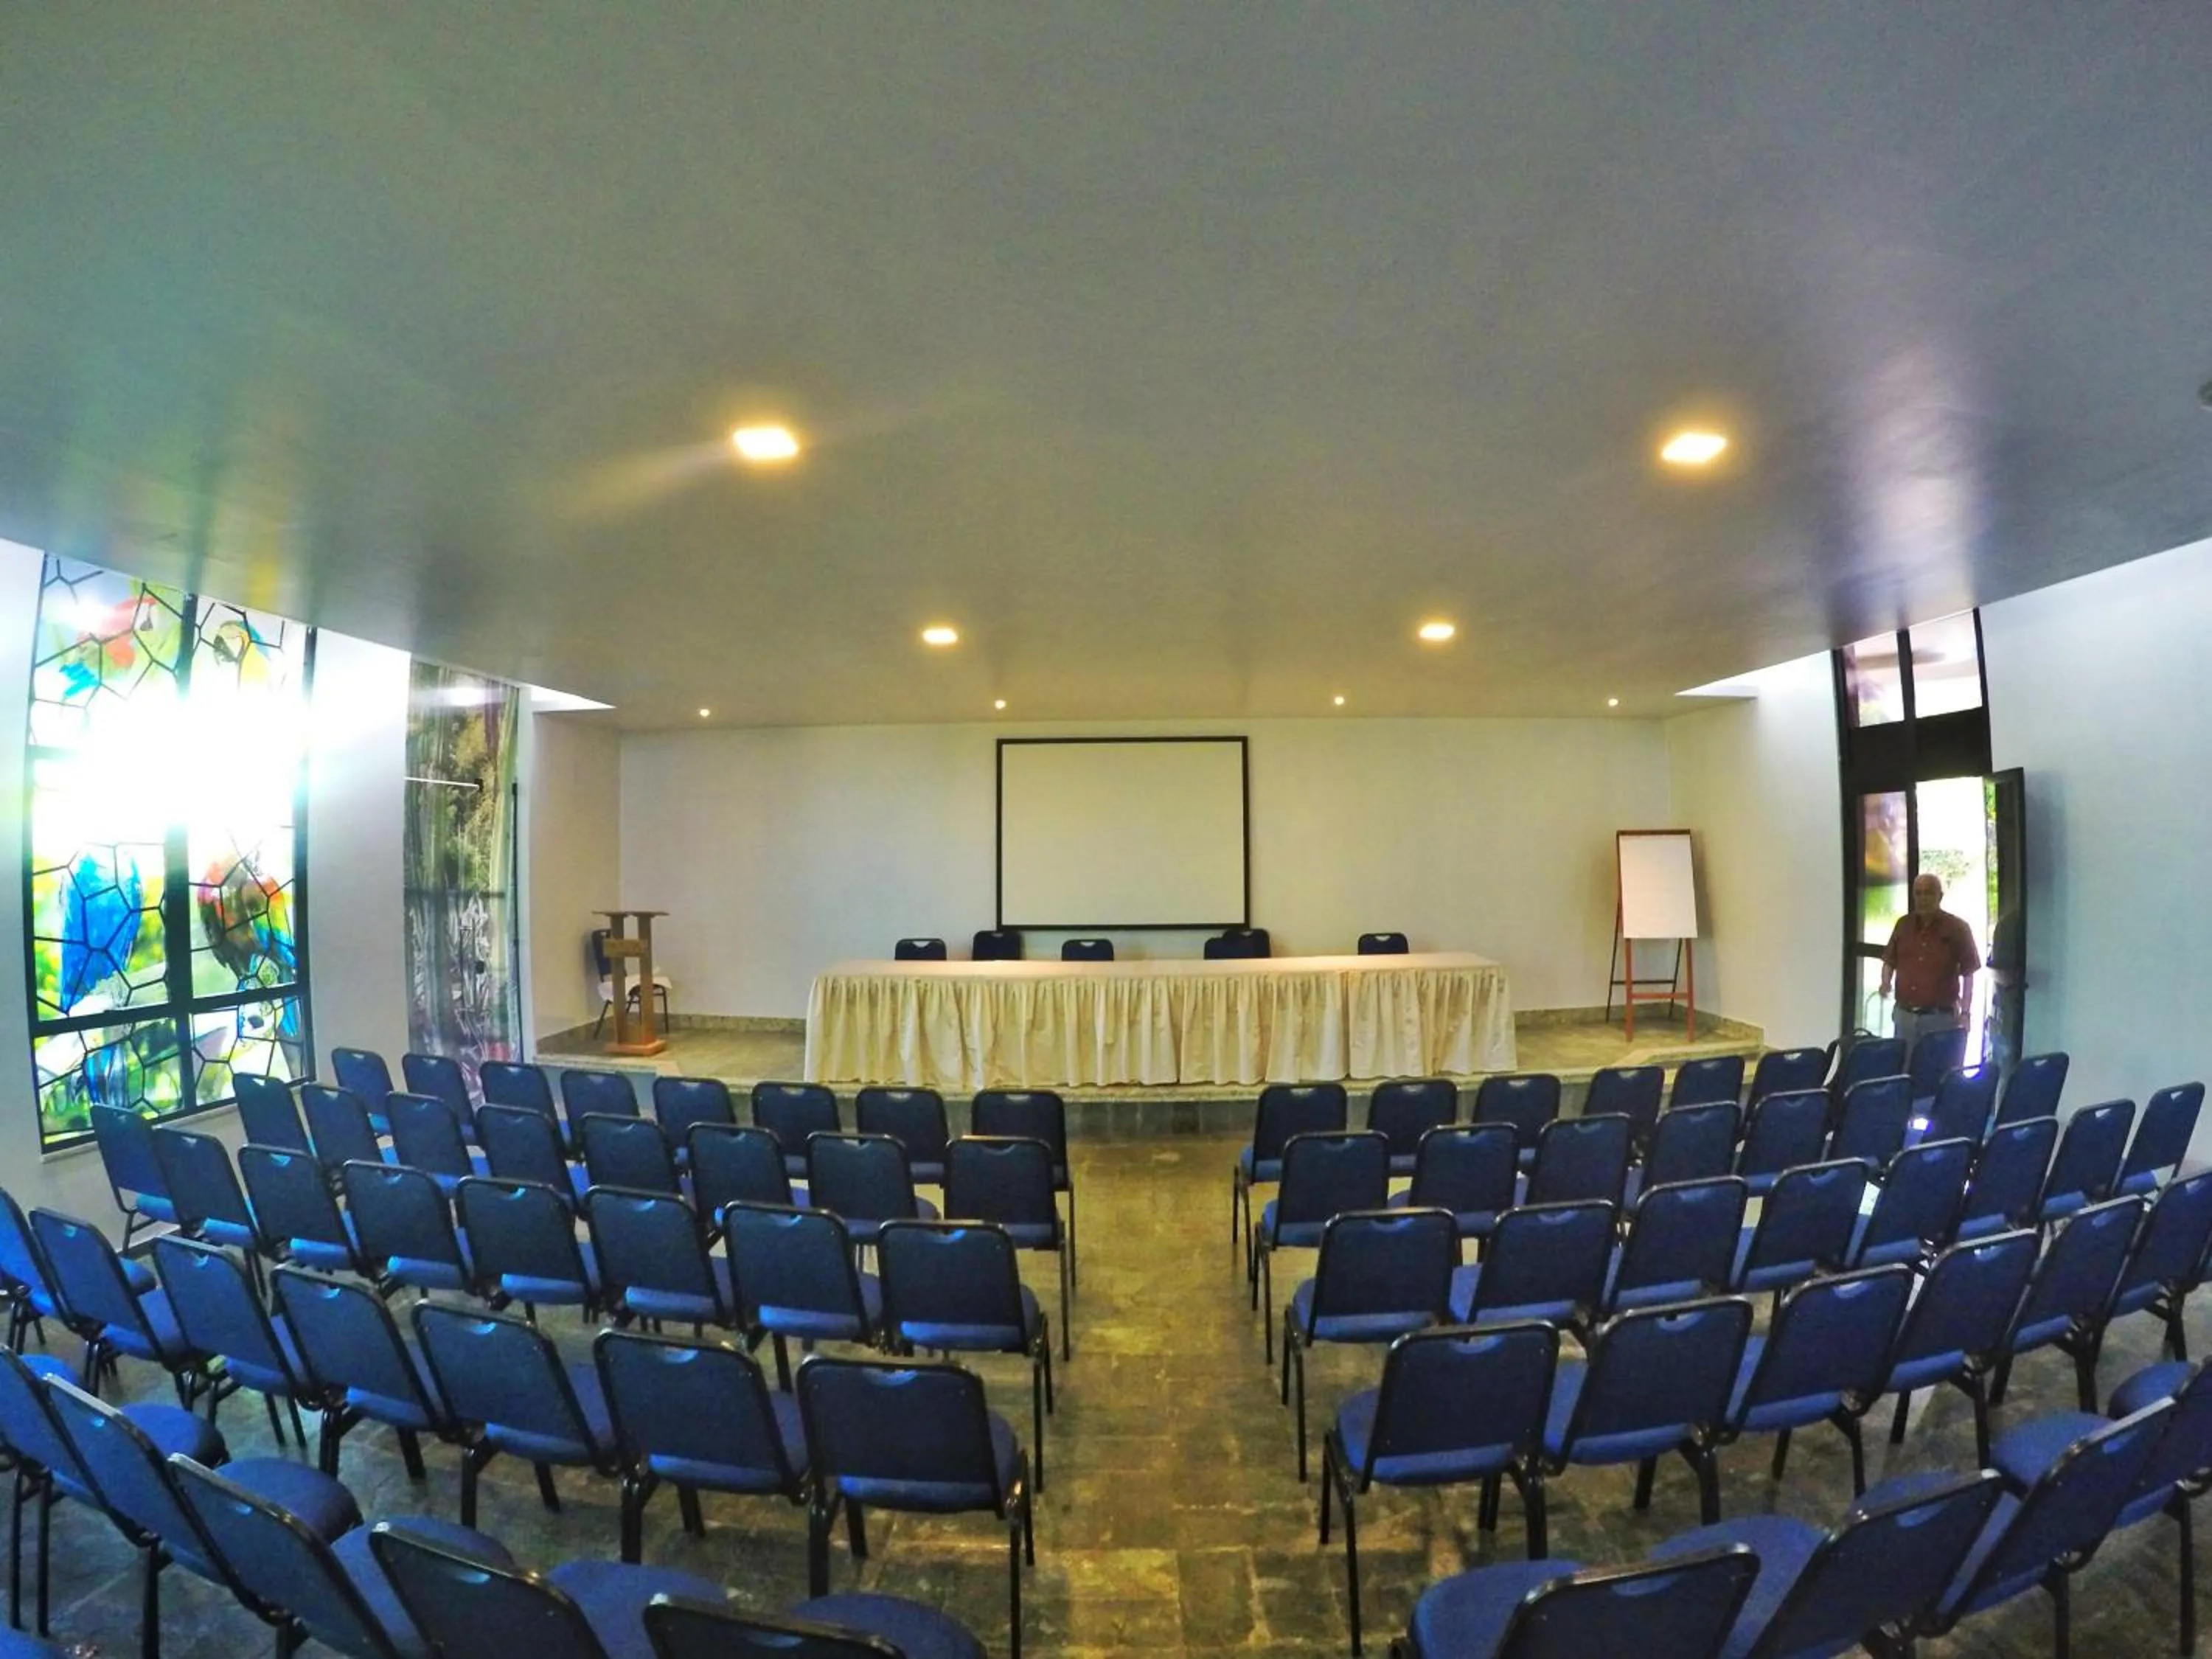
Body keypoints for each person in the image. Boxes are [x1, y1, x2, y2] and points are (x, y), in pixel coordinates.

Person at [1879, 873, 1981, 1050]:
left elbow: (1968, 974)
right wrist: (1885, 981)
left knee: (1937, 1072)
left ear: (1940, 896)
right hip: (1905, 1017)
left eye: (1928, 893)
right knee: (1904, 1070)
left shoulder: (1957, 928)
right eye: (1918, 893)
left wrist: (1965, 1013)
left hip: (1940, 1019)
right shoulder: (1903, 925)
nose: (1922, 899)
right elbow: (1889, 960)